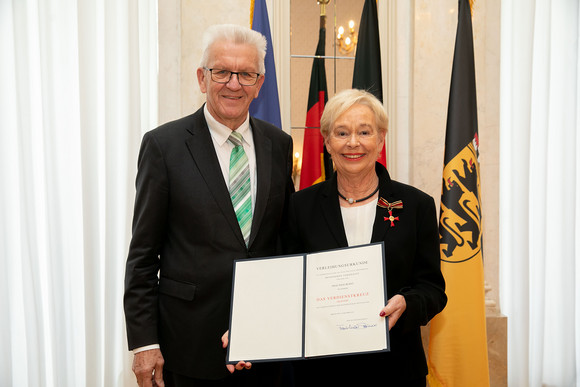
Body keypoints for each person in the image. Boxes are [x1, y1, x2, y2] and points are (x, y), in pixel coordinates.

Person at [124, 24, 294, 387]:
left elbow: (284, 243)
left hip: (265, 343)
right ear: (203, 78)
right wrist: (144, 343)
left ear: (260, 83)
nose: (234, 84)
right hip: (188, 345)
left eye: (246, 73)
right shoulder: (163, 146)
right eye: (222, 72)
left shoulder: (279, 145)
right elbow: (143, 255)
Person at [284, 89, 447, 386]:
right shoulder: (299, 207)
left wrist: (407, 303)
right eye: (342, 132)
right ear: (327, 142)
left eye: (364, 132)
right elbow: (288, 285)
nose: (353, 143)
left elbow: (433, 289)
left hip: (396, 369)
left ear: (381, 139)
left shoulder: (416, 206)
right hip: (321, 374)